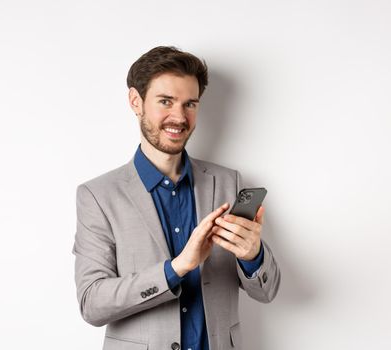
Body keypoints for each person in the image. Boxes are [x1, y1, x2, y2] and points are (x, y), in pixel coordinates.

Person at [73, 46, 280, 350]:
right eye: (166, 101)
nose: (179, 117)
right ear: (136, 101)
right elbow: (92, 303)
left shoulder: (227, 182)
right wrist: (177, 268)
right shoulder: (98, 196)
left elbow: (268, 292)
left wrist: (253, 255)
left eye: (190, 104)